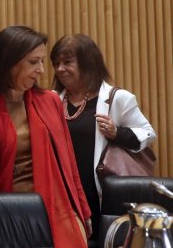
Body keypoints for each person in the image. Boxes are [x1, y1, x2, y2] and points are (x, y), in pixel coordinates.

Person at [0, 25, 91, 247]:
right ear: (9, 62)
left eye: (42, 61)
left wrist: (83, 210)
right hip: (9, 217)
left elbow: (69, 163)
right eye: (33, 62)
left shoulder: (51, 101)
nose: (42, 70)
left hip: (59, 210)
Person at [50, 34, 156, 243]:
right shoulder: (51, 99)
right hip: (64, 195)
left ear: (88, 63)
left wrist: (117, 133)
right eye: (56, 63)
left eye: (67, 62)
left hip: (99, 194)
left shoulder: (117, 99)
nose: (60, 69)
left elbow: (148, 133)